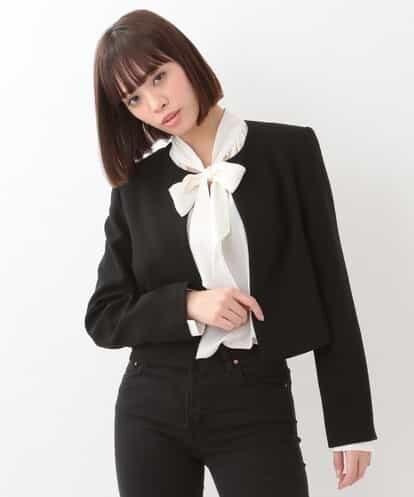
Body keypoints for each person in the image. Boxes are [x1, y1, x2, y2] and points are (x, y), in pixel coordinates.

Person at [84, 8, 378, 496]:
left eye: (158, 77)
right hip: (150, 403)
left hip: (255, 400)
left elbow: (332, 283)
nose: (155, 103)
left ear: (185, 60)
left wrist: (350, 423)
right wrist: (188, 304)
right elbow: (104, 315)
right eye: (134, 98)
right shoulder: (136, 187)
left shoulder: (289, 151)